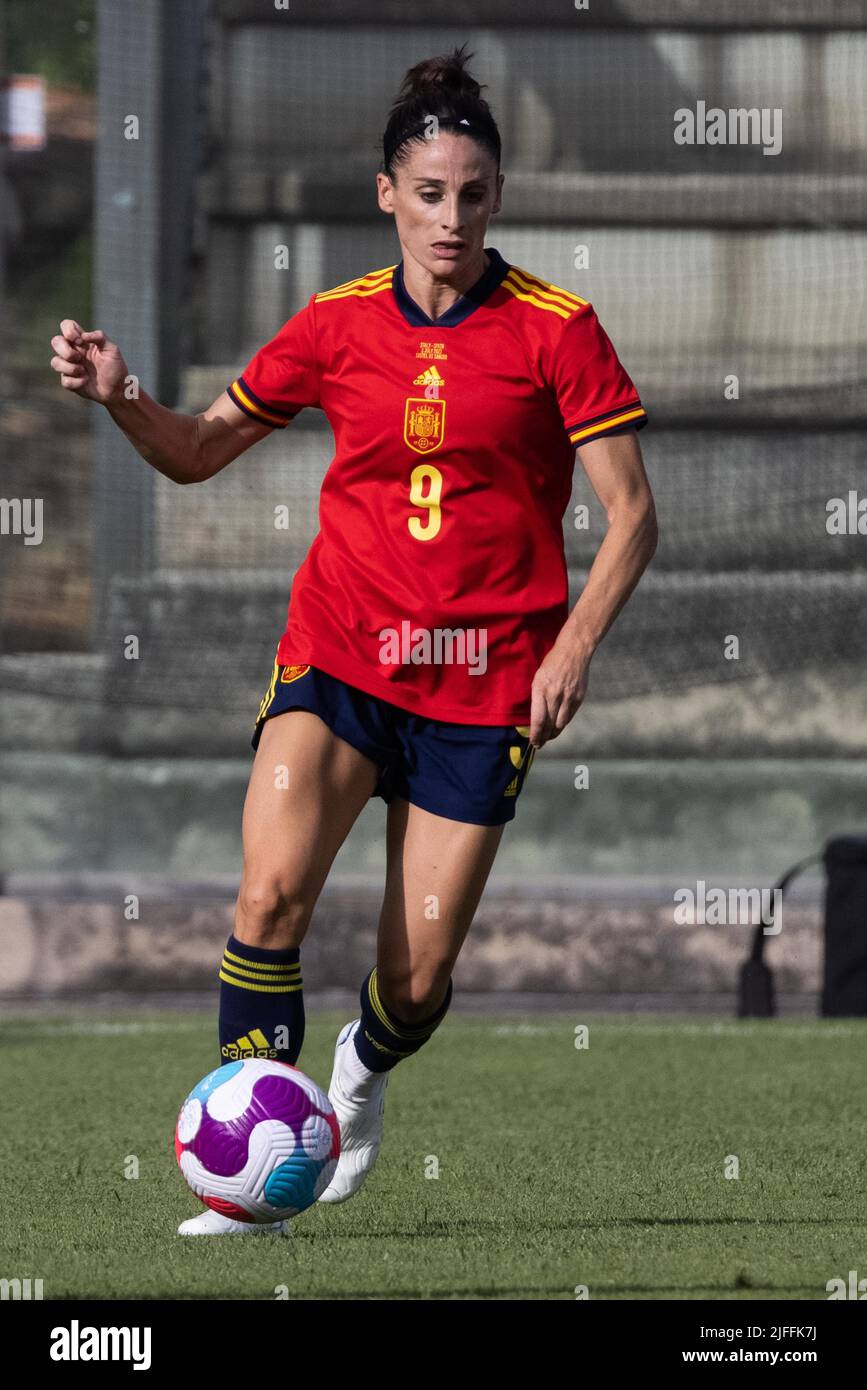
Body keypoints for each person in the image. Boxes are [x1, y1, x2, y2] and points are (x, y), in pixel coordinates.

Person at [50, 45, 657, 1235]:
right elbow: (195, 451)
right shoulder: (332, 325)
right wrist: (122, 395)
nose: (451, 215)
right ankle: (250, 1189)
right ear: (387, 192)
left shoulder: (557, 329)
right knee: (269, 894)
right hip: (337, 656)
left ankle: (359, 1075)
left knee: (419, 980)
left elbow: (634, 516)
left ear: (497, 197)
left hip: (485, 688)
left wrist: (573, 646)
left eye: (473, 193)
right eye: (429, 191)